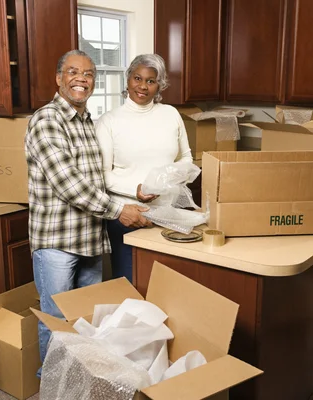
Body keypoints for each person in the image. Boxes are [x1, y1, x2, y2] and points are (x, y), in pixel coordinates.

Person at [24, 49, 151, 371]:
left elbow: (98, 178)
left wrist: (134, 192)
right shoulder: (47, 120)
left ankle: (79, 381)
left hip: (90, 239)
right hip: (57, 243)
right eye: (73, 72)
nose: (81, 78)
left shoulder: (86, 121)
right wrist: (118, 209)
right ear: (59, 79)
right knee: (56, 321)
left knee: (88, 320)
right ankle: (51, 386)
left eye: (89, 73)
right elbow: (68, 183)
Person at [96, 54, 193, 283]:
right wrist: (137, 190)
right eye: (137, 78)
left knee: (167, 284)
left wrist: (166, 180)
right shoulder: (109, 121)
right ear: (128, 78)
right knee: (132, 284)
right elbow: (102, 175)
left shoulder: (170, 114)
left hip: (167, 213)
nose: (143, 86)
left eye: (151, 81)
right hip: (128, 216)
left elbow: (187, 158)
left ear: (160, 85)